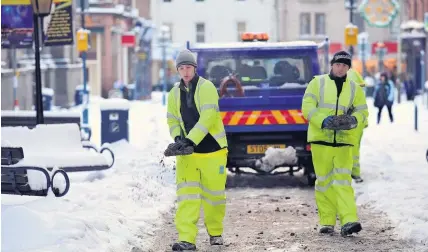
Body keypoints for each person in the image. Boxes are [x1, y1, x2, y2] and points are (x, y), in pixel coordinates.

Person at [165, 49, 229, 251]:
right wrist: (178, 140)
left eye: (188, 68)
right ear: (177, 70)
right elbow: (172, 119)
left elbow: (208, 117)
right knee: (187, 196)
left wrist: (190, 140)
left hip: (213, 151)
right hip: (188, 154)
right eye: (182, 68)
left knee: (214, 196)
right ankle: (187, 239)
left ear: (195, 68)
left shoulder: (206, 87)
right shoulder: (173, 93)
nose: (185, 72)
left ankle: (215, 232)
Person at [302, 51, 369, 236]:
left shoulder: (355, 88)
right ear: (332, 65)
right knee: (324, 182)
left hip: (344, 141)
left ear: (348, 68)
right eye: (338, 65)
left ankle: (349, 220)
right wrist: (323, 121)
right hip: (321, 139)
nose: (341, 68)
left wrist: (353, 120)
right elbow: (307, 107)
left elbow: (363, 112)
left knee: (343, 181)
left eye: (345, 66)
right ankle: (327, 222)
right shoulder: (318, 83)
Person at [347, 69, 367, 183]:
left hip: (352, 124)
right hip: (357, 124)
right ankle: (354, 172)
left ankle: (354, 172)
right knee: (355, 149)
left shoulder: (348, 92)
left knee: (352, 149)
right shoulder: (359, 93)